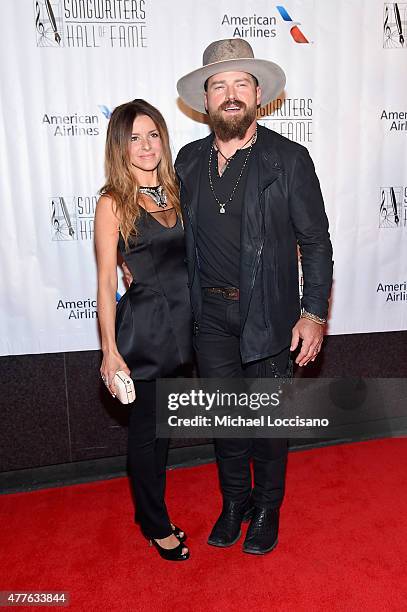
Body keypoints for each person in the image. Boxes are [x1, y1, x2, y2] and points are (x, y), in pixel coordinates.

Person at [175, 39, 333, 554]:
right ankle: (235, 501)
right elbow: (173, 235)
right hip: (210, 318)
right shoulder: (189, 160)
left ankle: (267, 507)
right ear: (206, 98)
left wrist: (312, 313)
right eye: (219, 85)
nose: (230, 94)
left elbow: (315, 241)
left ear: (259, 94)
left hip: (268, 313)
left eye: (241, 83)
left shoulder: (289, 160)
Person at [94, 99, 192, 561]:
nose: (146, 144)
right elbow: (106, 280)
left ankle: (150, 512)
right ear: (121, 145)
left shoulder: (176, 191)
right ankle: (154, 524)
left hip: (185, 328)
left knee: (163, 431)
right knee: (147, 433)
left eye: (153, 134)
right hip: (147, 332)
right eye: (134, 137)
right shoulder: (113, 202)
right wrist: (109, 350)